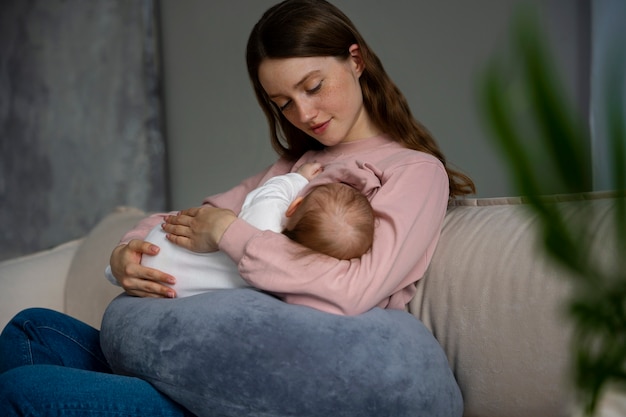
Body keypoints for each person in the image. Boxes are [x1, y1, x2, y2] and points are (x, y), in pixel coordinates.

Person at [0, 0, 475, 415]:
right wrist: (126, 252)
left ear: (355, 60)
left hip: (279, 375)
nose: (305, 115)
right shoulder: (296, 163)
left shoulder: (413, 172)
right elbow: (193, 218)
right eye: (283, 103)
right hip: (203, 351)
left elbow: (356, 289)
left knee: (24, 390)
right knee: (31, 328)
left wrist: (229, 232)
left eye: (313, 86)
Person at [126, 162, 375, 297]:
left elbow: (273, 190)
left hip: (164, 245)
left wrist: (300, 178)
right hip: (177, 288)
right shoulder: (283, 272)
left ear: (294, 206)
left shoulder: (265, 215)